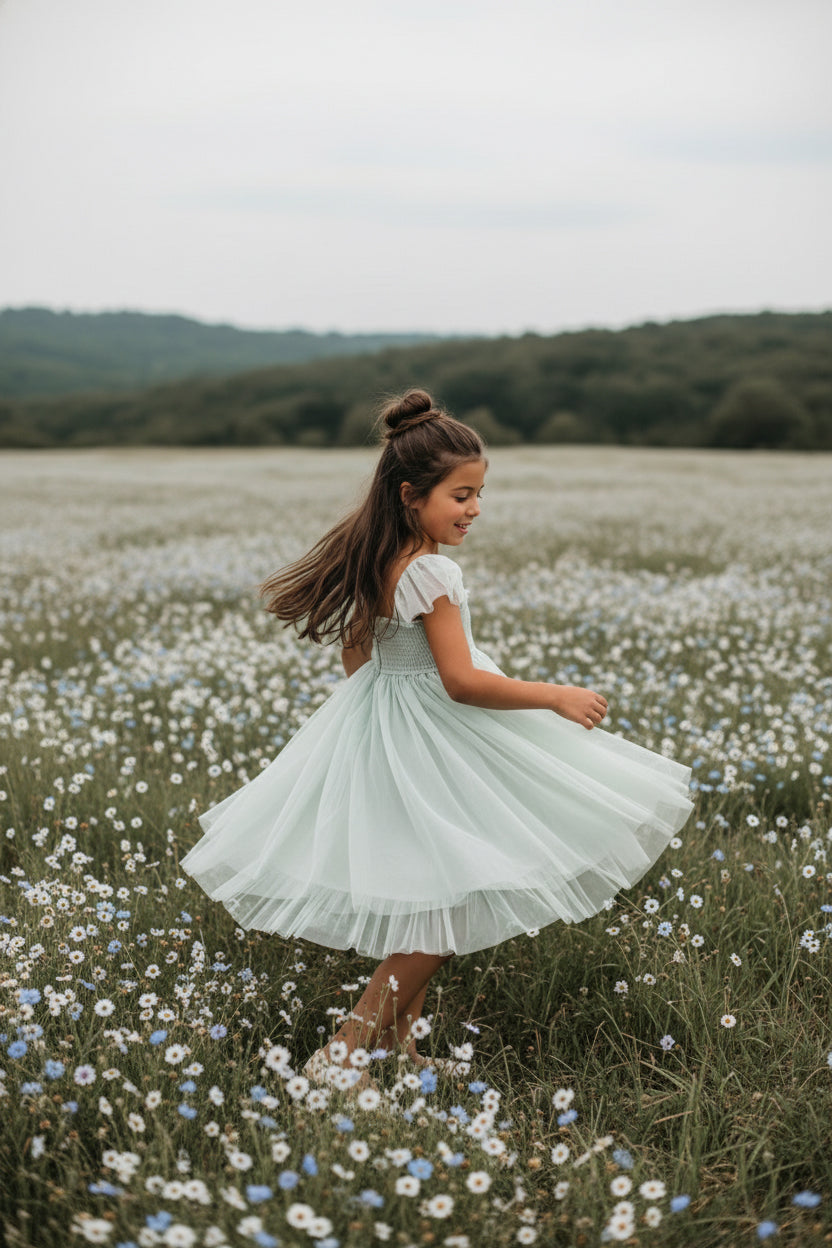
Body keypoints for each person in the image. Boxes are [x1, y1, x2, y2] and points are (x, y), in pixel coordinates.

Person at [180, 388, 693, 1091]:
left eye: (479, 494)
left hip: (388, 731)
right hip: (436, 734)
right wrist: (555, 696)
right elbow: (459, 681)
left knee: (426, 899)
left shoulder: (382, 557)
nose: (474, 509)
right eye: (461, 495)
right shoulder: (430, 570)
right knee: (441, 916)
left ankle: (400, 1054)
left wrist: (377, 720)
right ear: (410, 494)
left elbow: (358, 656)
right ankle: (346, 1055)